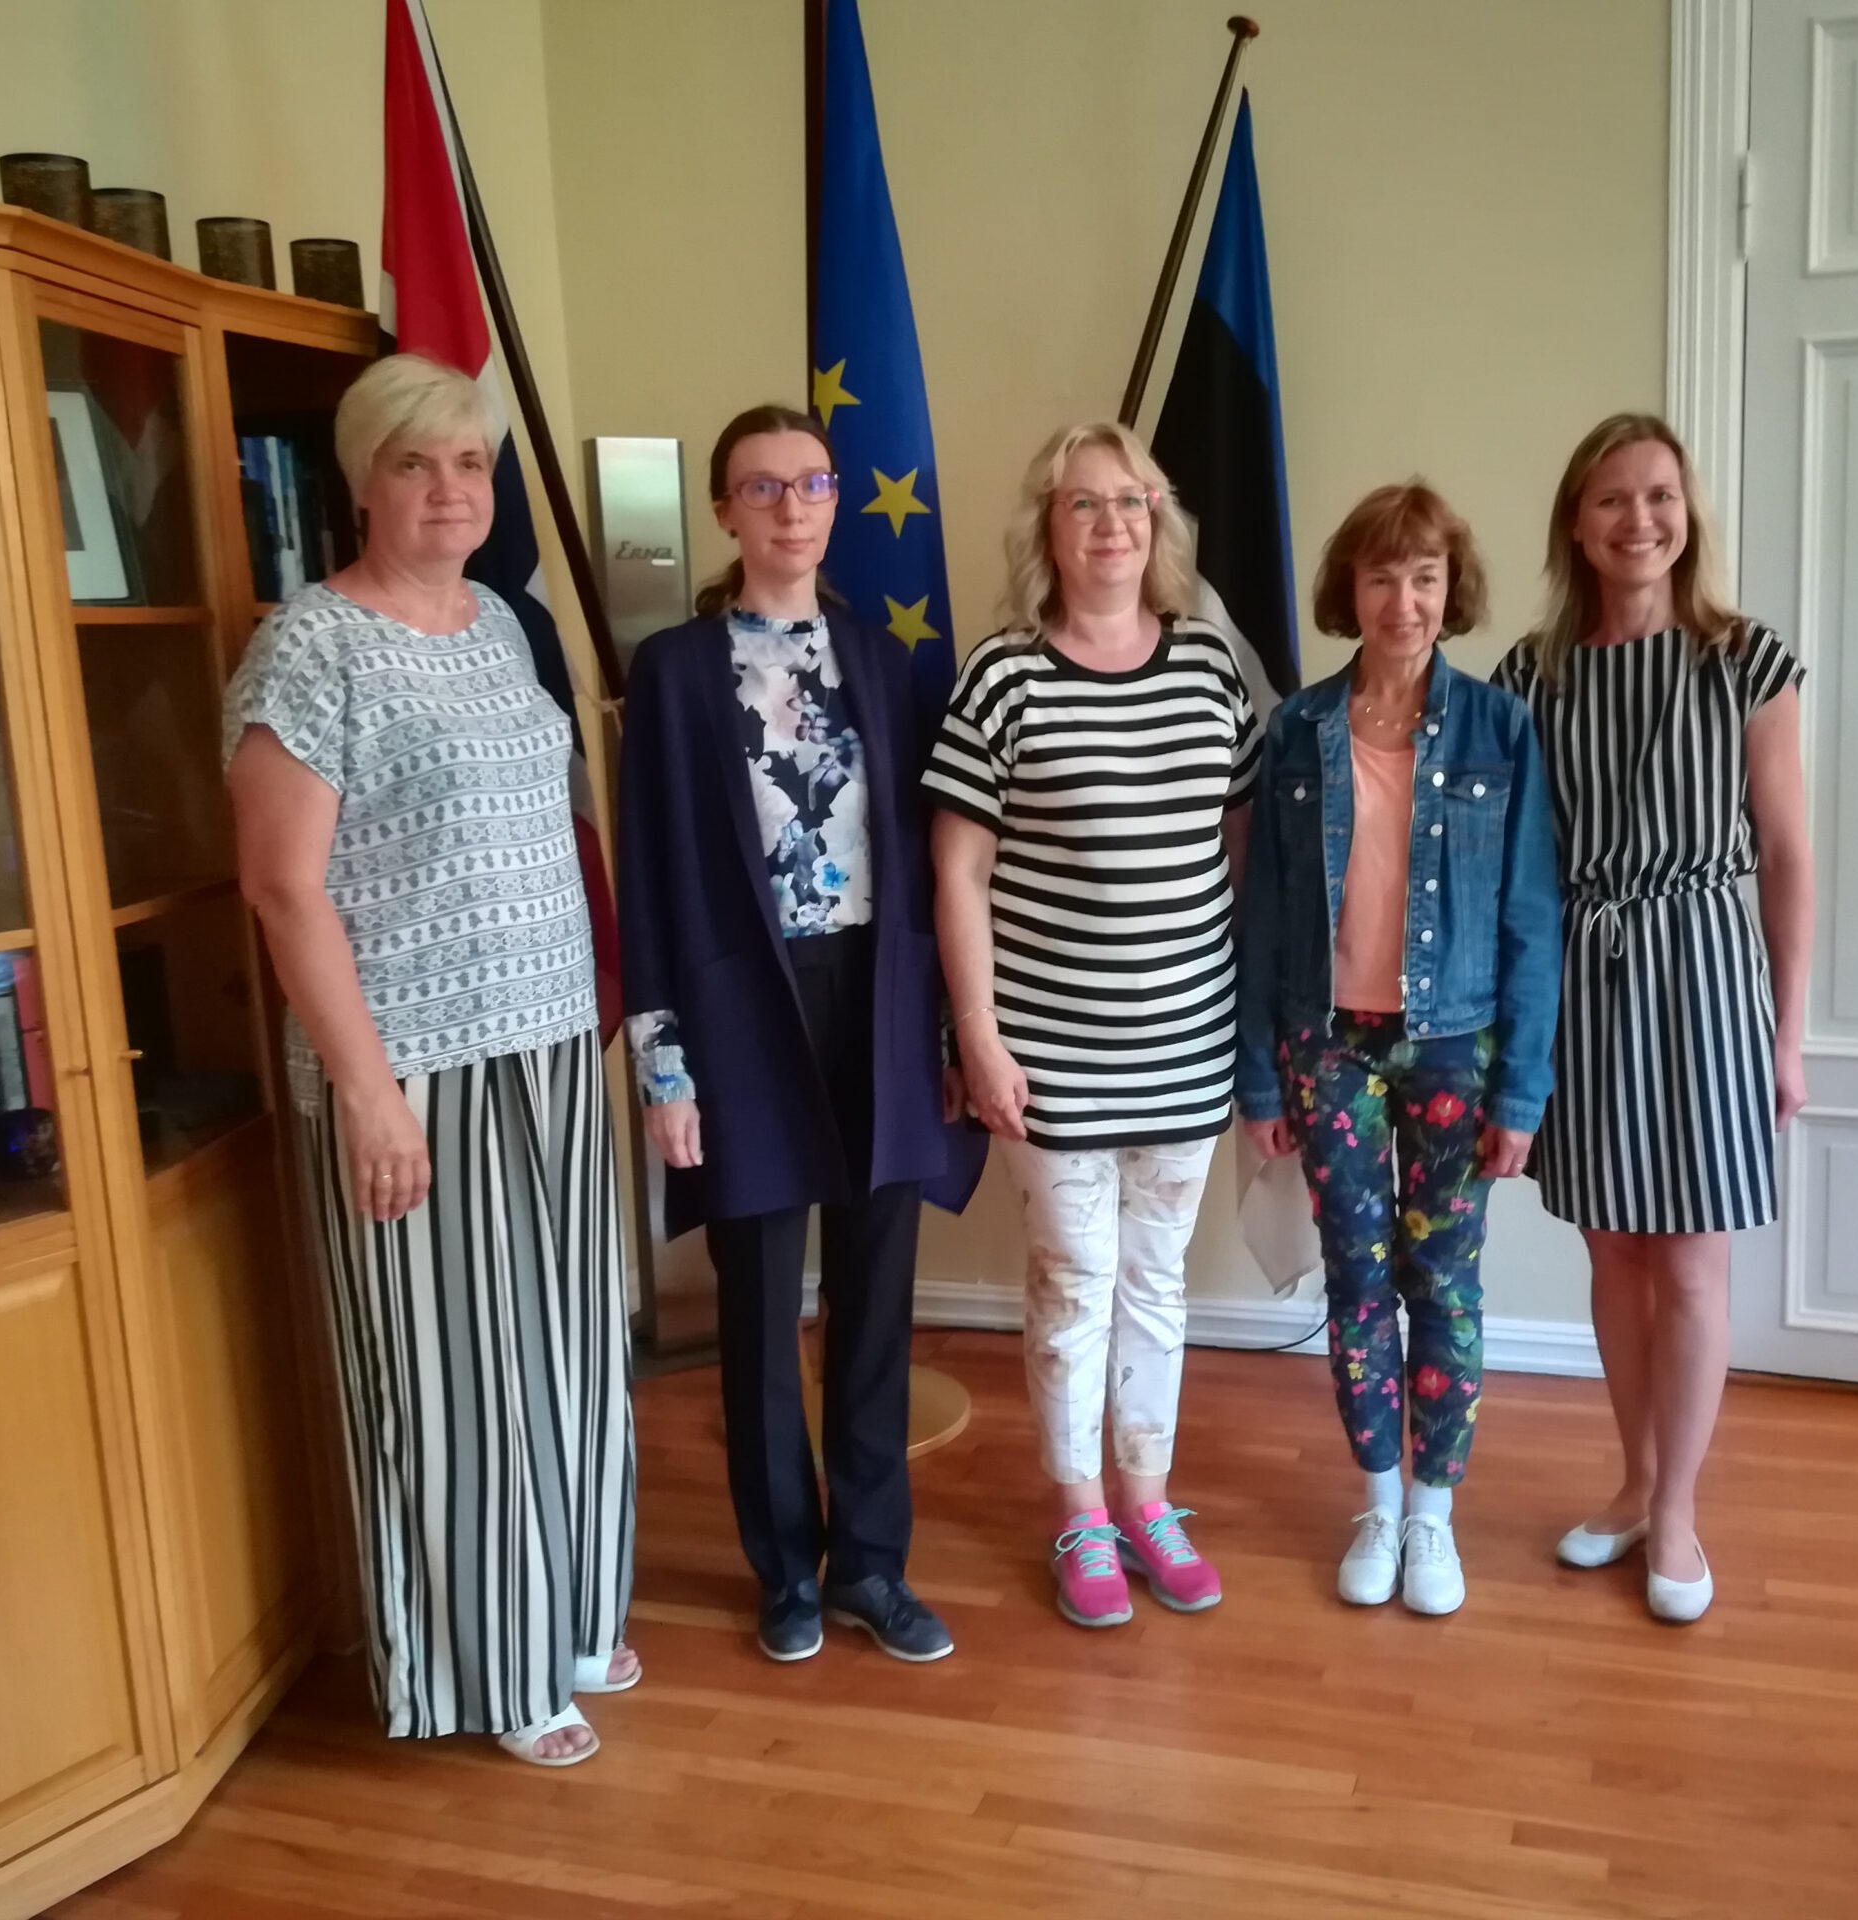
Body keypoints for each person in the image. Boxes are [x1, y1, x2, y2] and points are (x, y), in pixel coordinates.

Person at [223, 352, 634, 1767]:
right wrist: (367, 1091)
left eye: (470, 464)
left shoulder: (502, 623)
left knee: (568, 1349)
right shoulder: (311, 647)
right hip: (415, 1069)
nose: (451, 489)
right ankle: (496, 1669)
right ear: (362, 480)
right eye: (417, 463)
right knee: (456, 1381)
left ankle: (569, 1611)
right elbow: (283, 888)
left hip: (547, 1046)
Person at [615, 404, 980, 1666]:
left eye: (811, 484)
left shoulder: (886, 661)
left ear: (834, 503)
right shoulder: (672, 672)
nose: (790, 507)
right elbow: (651, 877)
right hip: (739, 1014)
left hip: (878, 1003)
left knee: (876, 1301)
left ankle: (871, 1563)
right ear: (724, 509)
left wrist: (949, 1033)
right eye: (761, 486)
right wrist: (662, 1067)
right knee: (762, 1307)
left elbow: (935, 867)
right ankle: (784, 1568)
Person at [925, 422, 1260, 1630]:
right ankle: (1079, 1513)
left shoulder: (1208, 665)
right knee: (1073, 1284)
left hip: (1186, 1047)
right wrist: (978, 1035)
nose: (1110, 523)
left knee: (1156, 1283)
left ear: (1157, 522)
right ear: (1049, 529)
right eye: (1084, 504)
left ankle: (1147, 1502)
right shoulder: (1001, 676)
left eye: (1130, 502)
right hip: (1049, 1055)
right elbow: (957, 871)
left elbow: (1234, 845)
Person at [1491, 414, 1812, 1625]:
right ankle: (1631, 1483)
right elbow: (1510, 861)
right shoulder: (1533, 676)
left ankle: (1676, 1510)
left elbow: (1786, 855)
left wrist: (1786, 1034)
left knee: (1689, 1260)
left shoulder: (1745, 660)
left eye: (1660, 496)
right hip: (1582, 977)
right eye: (1612, 499)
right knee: (1615, 1253)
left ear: (1688, 513)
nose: (1640, 520)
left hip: (1704, 977)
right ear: (1576, 525)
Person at [1235, 483, 1561, 1617]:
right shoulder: (1297, 732)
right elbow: (1264, 914)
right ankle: (1378, 1502)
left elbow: (1531, 919)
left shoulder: (1499, 731)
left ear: (1449, 590)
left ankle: (1434, 1516)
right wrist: (1256, 1075)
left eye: (1424, 577)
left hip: (1454, 1048)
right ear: (1352, 590)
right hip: (1325, 1045)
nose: (1404, 601)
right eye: (1382, 577)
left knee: (1446, 1282)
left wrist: (1523, 1091)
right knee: (1357, 1275)